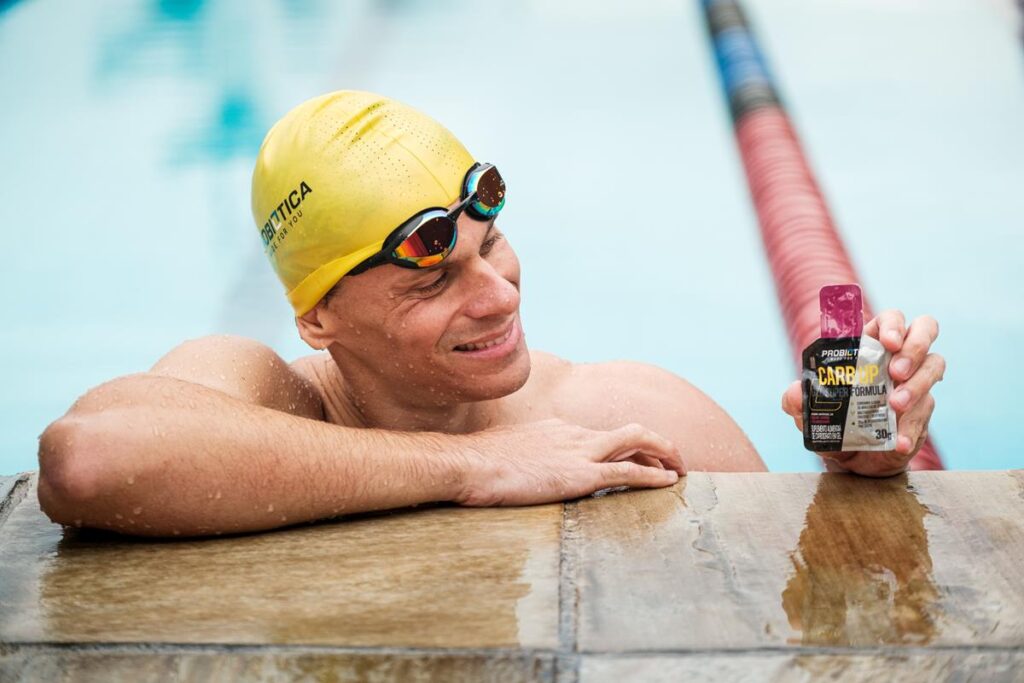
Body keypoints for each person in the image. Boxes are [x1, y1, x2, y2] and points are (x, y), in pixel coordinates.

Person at [36, 91, 945, 538]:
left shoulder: (624, 415)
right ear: (318, 319)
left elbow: (809, 623)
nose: (501, 295)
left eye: (491, 244)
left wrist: (863, 479)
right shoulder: (260, 393)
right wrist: (473, 464)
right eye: (432, 281)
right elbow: (85, 461)